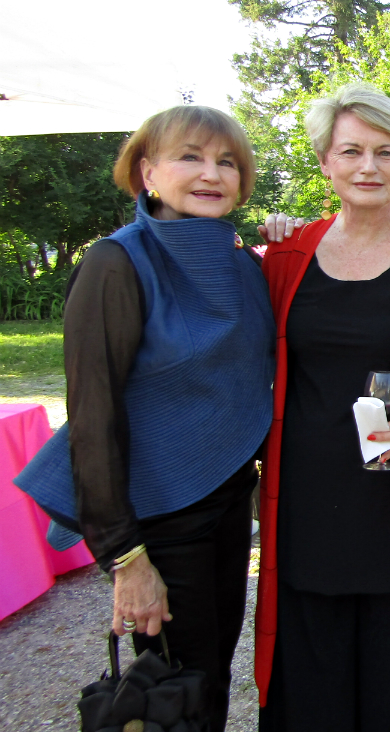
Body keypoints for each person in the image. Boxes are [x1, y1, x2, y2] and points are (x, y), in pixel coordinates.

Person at [15, 106, 274, 731]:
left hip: (228, 504)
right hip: (160, 522)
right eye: (190, 157)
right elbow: (93, 420)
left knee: (207, 679)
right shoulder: (116, 263)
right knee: (171, 696)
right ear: (147, 170)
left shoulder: (242, 262)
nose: (211, 173)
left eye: (227, 162)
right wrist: (127, 562)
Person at [254, 83, 390, 730]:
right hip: (303, 499)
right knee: (311, 676)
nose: (368, 166)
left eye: (386, 152)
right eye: (351, 151)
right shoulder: (284, 257)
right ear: (324, 161)